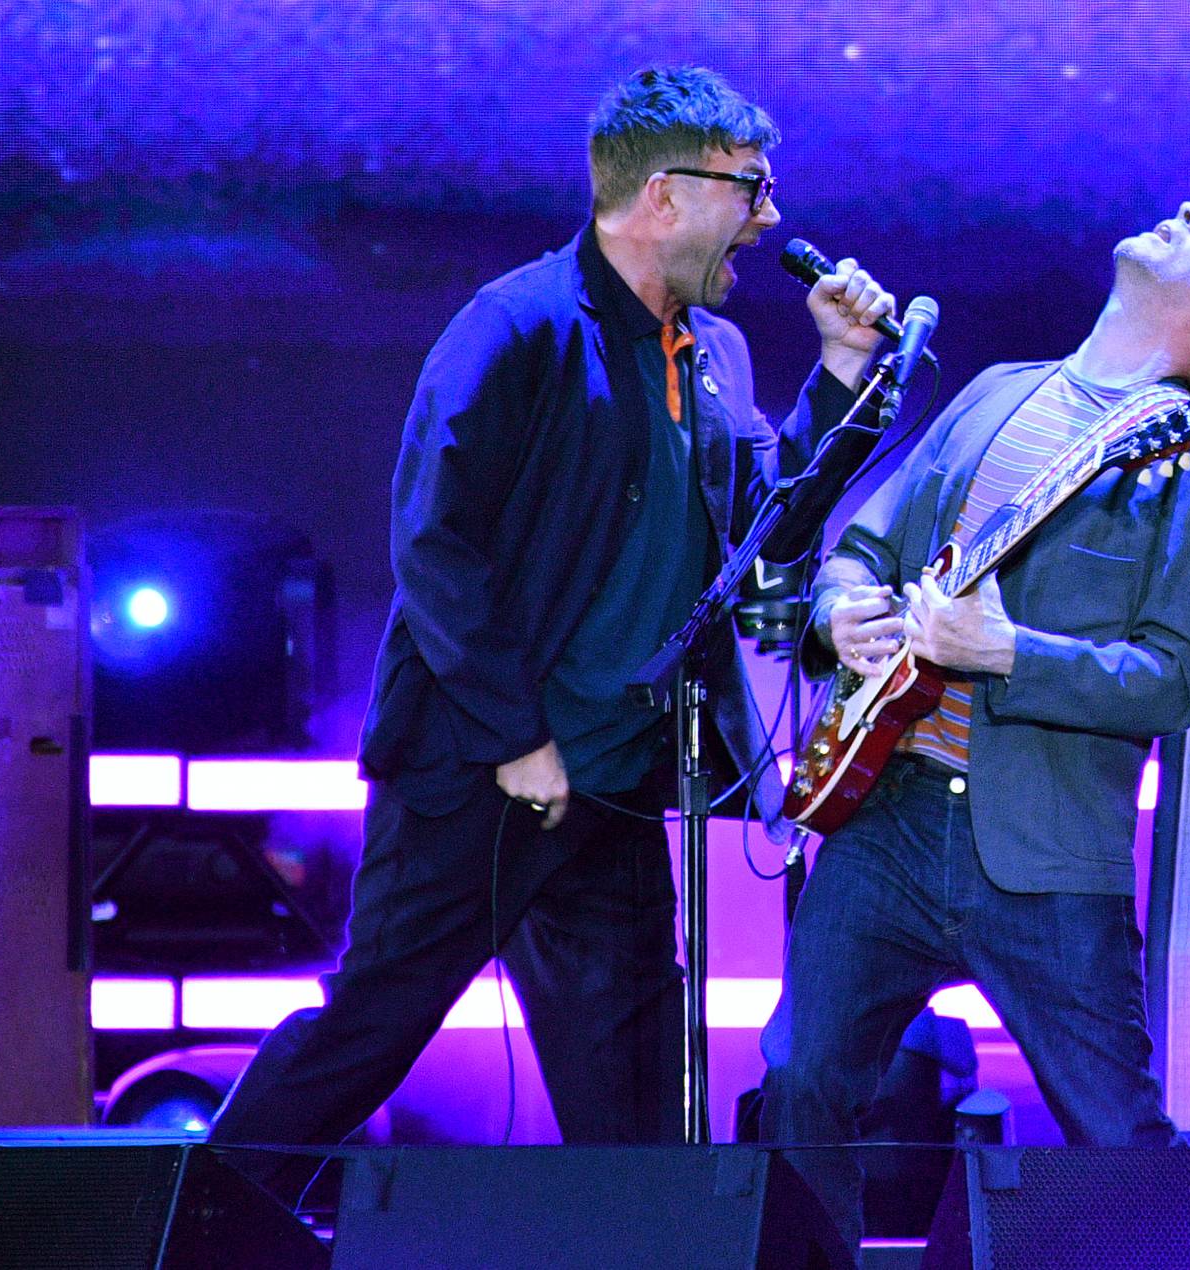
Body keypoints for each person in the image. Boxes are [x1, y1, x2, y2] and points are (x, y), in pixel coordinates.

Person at [210, 64, 894, 1164]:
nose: (767, 220)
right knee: (374, 1022)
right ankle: (193, 1222)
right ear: (663, 195)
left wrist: (842, 379)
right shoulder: (517, 326)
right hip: (483, 768)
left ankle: (645, 1249)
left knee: (630, 1074)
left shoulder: (714, 353)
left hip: (614, 777)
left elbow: (771, 527)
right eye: (749, 189)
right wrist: (513, 734)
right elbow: (434, 544)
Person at [759, 201, 1190, 1249]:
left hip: (1048, 852)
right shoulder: (996, 392)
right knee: (799, 1086)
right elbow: (861, 550)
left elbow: (1172, 681)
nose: (1188, 213)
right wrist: (839, 610)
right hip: (889, 818)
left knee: (1117, 1139)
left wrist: (1006, 651)